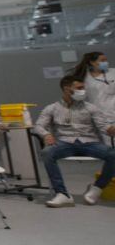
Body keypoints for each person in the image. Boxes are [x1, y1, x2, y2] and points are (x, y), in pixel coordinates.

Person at [33, 75, 115, 208]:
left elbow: (104, 127)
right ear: (67, 89)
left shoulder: (90, 107)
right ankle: (62, 194)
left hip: (90, 142)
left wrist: (111, 130)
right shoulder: (52, 108)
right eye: (79, 88)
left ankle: (97, 188)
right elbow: (38, 126)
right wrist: (46, 135)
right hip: (64, 143)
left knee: (113, 154)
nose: (83, 91)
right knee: (47, 152)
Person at [73, 51, 115, 119]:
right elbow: (78, 98)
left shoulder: (113, 72)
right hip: (99, 115)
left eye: (106, 60)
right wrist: (78, 89)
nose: (106, 62)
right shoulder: (83, 78)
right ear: (92, 62)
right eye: (102, 60)